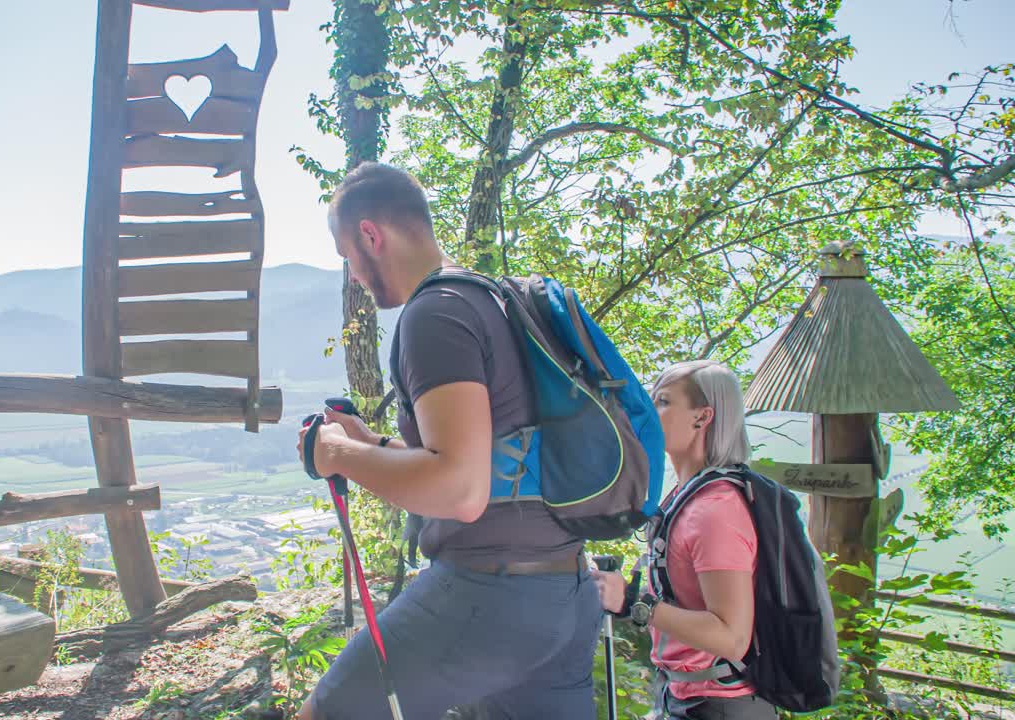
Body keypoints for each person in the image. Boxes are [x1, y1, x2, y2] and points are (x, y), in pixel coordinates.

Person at [296, 161, 601, 719]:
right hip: (568, 593)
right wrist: (375, 445)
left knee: (328, 712)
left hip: (491, 595)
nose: (355, 278)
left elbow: (460, 491)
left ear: (371, 235)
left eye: (348, 259)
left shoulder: (433, 315)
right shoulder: (495, 300)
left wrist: (335, 452)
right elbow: (486, 455)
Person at [594, 360, 776, 720]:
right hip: (684, 695)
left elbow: (731, 637)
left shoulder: (715, 510)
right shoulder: (684, 496)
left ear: (702, 417)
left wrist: (635, 603)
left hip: (720, 705)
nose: (648, 410)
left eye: (662, 401)